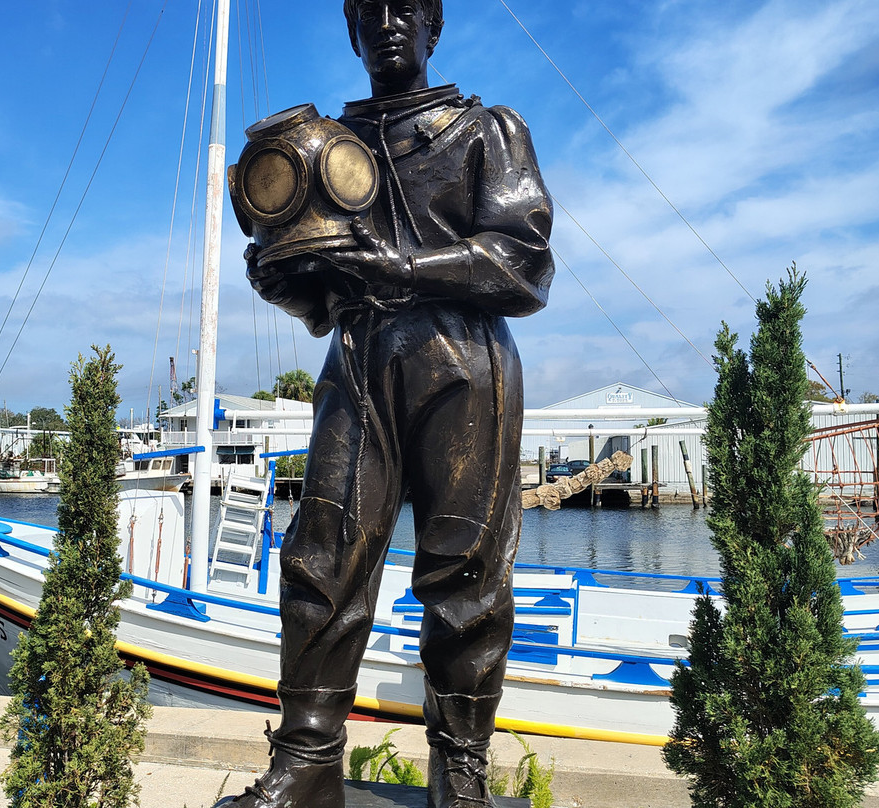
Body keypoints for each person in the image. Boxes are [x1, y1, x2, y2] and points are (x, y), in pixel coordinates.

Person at [221, 1, 554, 806]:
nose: (389, 22)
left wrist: (401, 270)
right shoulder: (327, 152)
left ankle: (460, 766)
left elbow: (522, 265)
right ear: (351, 31)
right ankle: (307, 757)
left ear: (435, 27)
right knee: (322, 557)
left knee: (466, 572)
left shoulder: (484, 132)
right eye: (369, 10)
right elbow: (330, 296)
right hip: (359, 363)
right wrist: (290, 288)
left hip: (462, 367)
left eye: (408, 7)